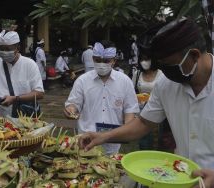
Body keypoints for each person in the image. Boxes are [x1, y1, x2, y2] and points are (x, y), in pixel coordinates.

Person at [78, 17, 214, 187]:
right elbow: (143, 123)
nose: (165, 72)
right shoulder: (166, 85)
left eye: (169, 65)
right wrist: (103, 136)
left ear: (194, 55)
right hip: (183, 179)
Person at [64, 41, 139, 155]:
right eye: (98, 60)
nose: (101, 64)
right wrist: (71, 110)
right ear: (93, 59)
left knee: (108, 168)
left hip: (113, 139)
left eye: (106, 61)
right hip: (86, 139)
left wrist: (126, 131)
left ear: (114, 60)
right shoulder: (82, 80)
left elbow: (130, 110)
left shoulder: (124, 81)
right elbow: (73, 104)